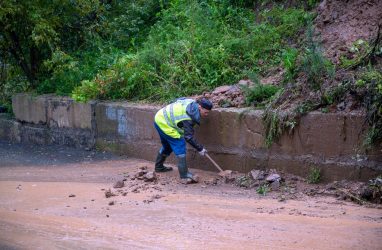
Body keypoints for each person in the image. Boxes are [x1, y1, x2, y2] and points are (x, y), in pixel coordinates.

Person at [153, 97, 213, 183]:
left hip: (159, 118)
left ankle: (159, 167)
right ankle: (184, 175)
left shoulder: (192, 103)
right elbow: (188, 137)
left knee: (167, 146)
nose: (207, 114)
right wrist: (200, 149)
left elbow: (180, 99)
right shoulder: (188, 117)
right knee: (179, 144)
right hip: (164, 123)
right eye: (206, 112)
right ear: (200, 107)